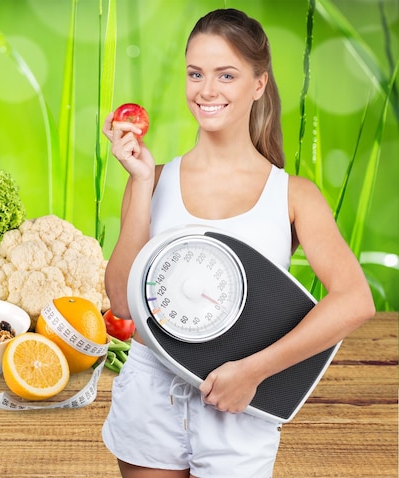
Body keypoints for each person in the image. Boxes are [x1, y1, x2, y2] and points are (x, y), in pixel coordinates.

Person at [101, 8, 375, 478]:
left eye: (226, 75)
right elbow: (123, 304)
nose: (206, 91)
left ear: (258, 84)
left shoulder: (292, 195)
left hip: (242, 405)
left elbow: (355, 301)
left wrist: (254, 372)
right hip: (151, 396)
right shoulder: (153, 178)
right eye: (196, 74)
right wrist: (142, 183)